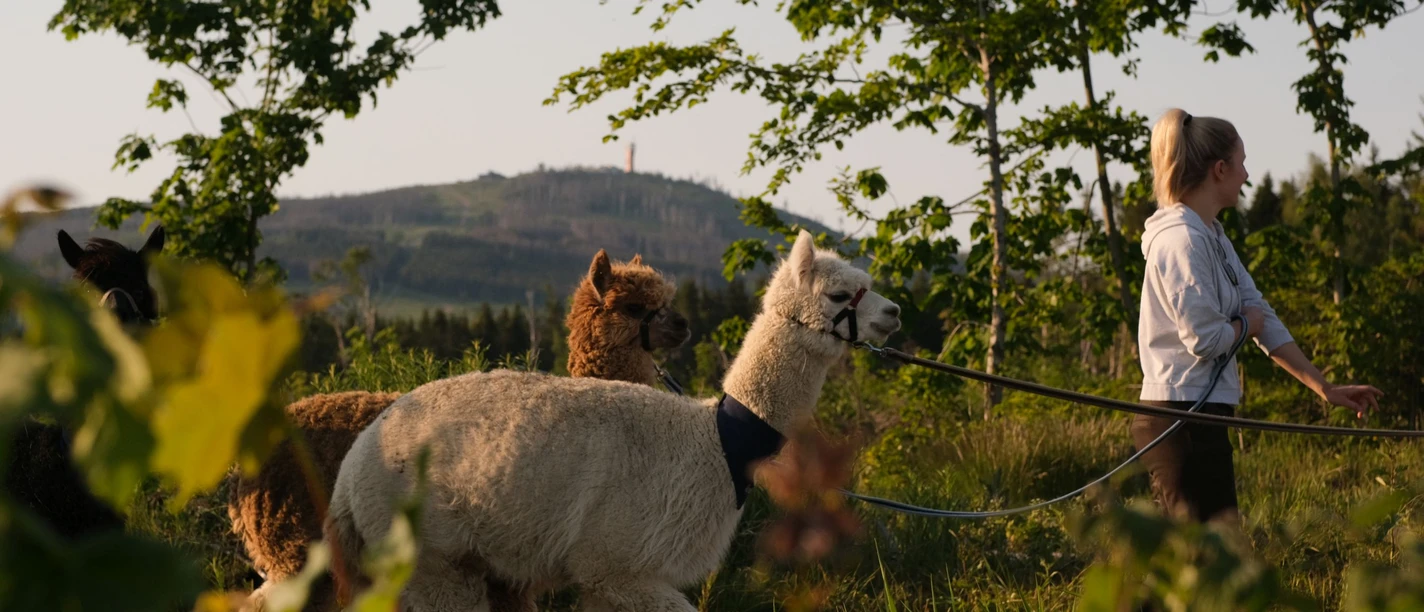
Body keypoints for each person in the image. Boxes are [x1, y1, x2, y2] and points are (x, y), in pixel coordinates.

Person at [1131, 108, 1383, 527]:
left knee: (1221, 557)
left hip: (1203, 417)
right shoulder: (1180, 241)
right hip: (1179, 420)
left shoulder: (1212, 235)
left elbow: (1260, 311)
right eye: (1242, 163)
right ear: (1220, 169)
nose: (1247, 175)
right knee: (1199, 560)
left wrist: (1324, 387)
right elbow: (1206, 340)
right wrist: (1246, 325)